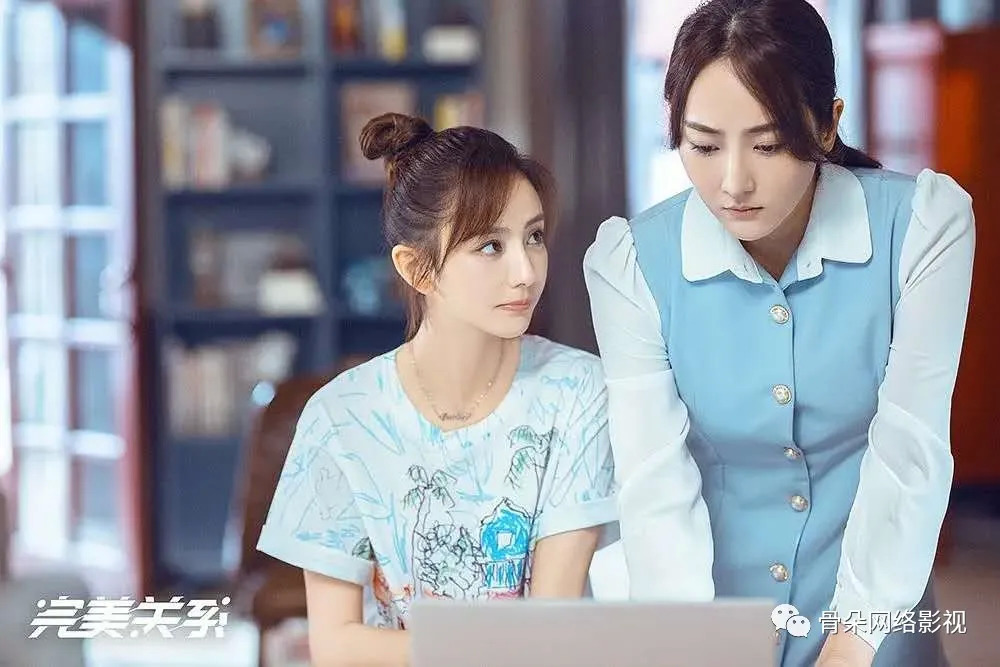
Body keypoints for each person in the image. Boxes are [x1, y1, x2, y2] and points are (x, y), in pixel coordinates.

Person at [583, 1, 974, 666]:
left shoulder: (923, 227)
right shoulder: (632, 265)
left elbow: (911, 448)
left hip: (876, 614)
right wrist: (696, 649)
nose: (733, 182)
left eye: (767, 145)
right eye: (704, 146)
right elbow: (654, 484)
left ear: (828, 124)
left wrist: (852, 644)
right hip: (710, 616)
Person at [258, 112, 617, 665]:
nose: (526, 271)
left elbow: (552, 629)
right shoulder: (341, 418)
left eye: (534, 237)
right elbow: (337, 645)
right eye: (490, 246)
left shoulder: (577, 392)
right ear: (417, 269)